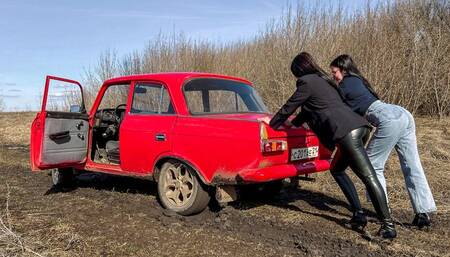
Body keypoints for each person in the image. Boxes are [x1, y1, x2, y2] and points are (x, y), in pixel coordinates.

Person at [267, 52, 396, 238]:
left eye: (295, 73)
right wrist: (292, 124)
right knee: (337, 169)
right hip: (359, 127)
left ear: (299, 70)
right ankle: (359, 214)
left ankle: (388, 226)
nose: (296, 77)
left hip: (347, 133)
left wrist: (272, 125)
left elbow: (290, 106)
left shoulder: (306, 82)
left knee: (368, 176)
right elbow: (310, 110)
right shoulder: (324, 81)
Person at [329, 54, 436, 229]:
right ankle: (423, 214)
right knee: (412, 164)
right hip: (402, 113)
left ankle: (384, 212)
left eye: (334, 72)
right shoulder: (359, 80)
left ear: (343, 69)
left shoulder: (345, 84)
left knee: (372, 165)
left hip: (387, 118)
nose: (333, 76)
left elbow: (339, 110)